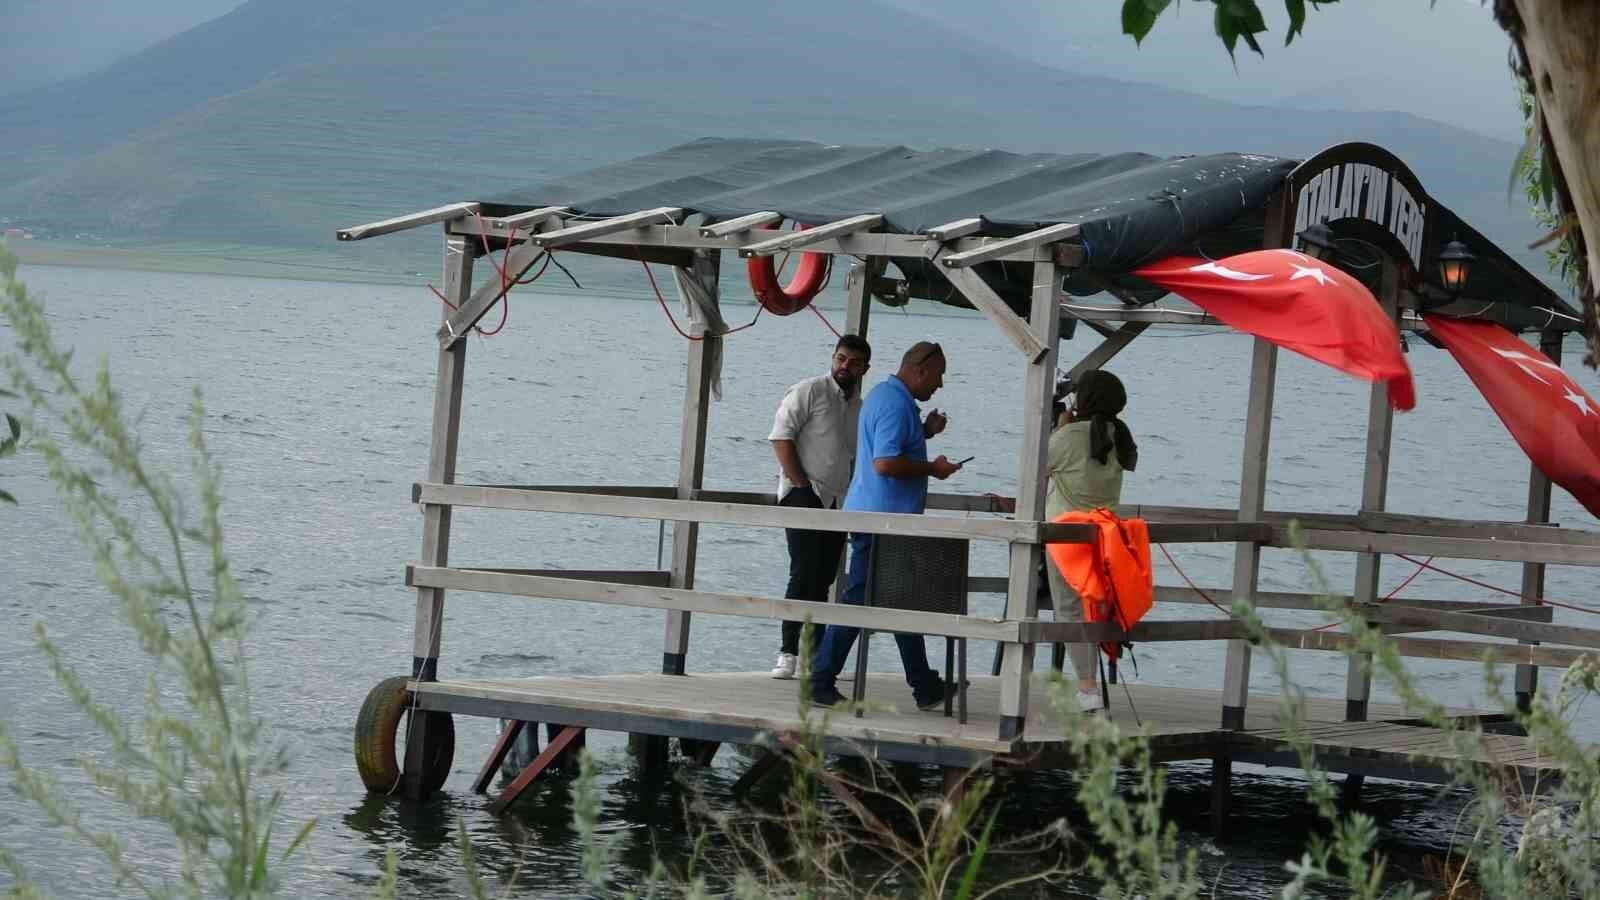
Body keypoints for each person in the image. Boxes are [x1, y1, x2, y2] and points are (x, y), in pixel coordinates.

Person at [809, 341, 963, 709]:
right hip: (882, 522)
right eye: (938, 376)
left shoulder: (885, 398)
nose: (939, 385)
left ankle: (924, 685)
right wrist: (933, 469)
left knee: (899, 600)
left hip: (881, 517)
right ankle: (819, 680)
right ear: (920, 370)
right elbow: (885, 463)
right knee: (860, 599)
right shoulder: (895, 404)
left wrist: (924, 433)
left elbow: (890, 447)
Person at [767, 334, 872, 679]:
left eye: (854, 362)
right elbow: (781, 437)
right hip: (803, 492)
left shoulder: (860, 406)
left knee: (826, 576)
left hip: (839, 499)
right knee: (802, 572)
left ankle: (814, 654)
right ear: (833, 358)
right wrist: (800, 486)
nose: (845, 367)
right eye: (840, 358)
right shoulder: (809, 390)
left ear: (864, 368)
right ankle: (787, 652)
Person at [1044, 369, 1138, 714]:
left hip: (1065, 538)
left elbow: (1036, 467)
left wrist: (1060, 428)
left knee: (1069, 610)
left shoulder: (1069, 437)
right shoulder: (1119, 436)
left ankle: (1087, 687)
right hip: (1103, 537)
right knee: (1094, 608)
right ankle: (1092, 684)